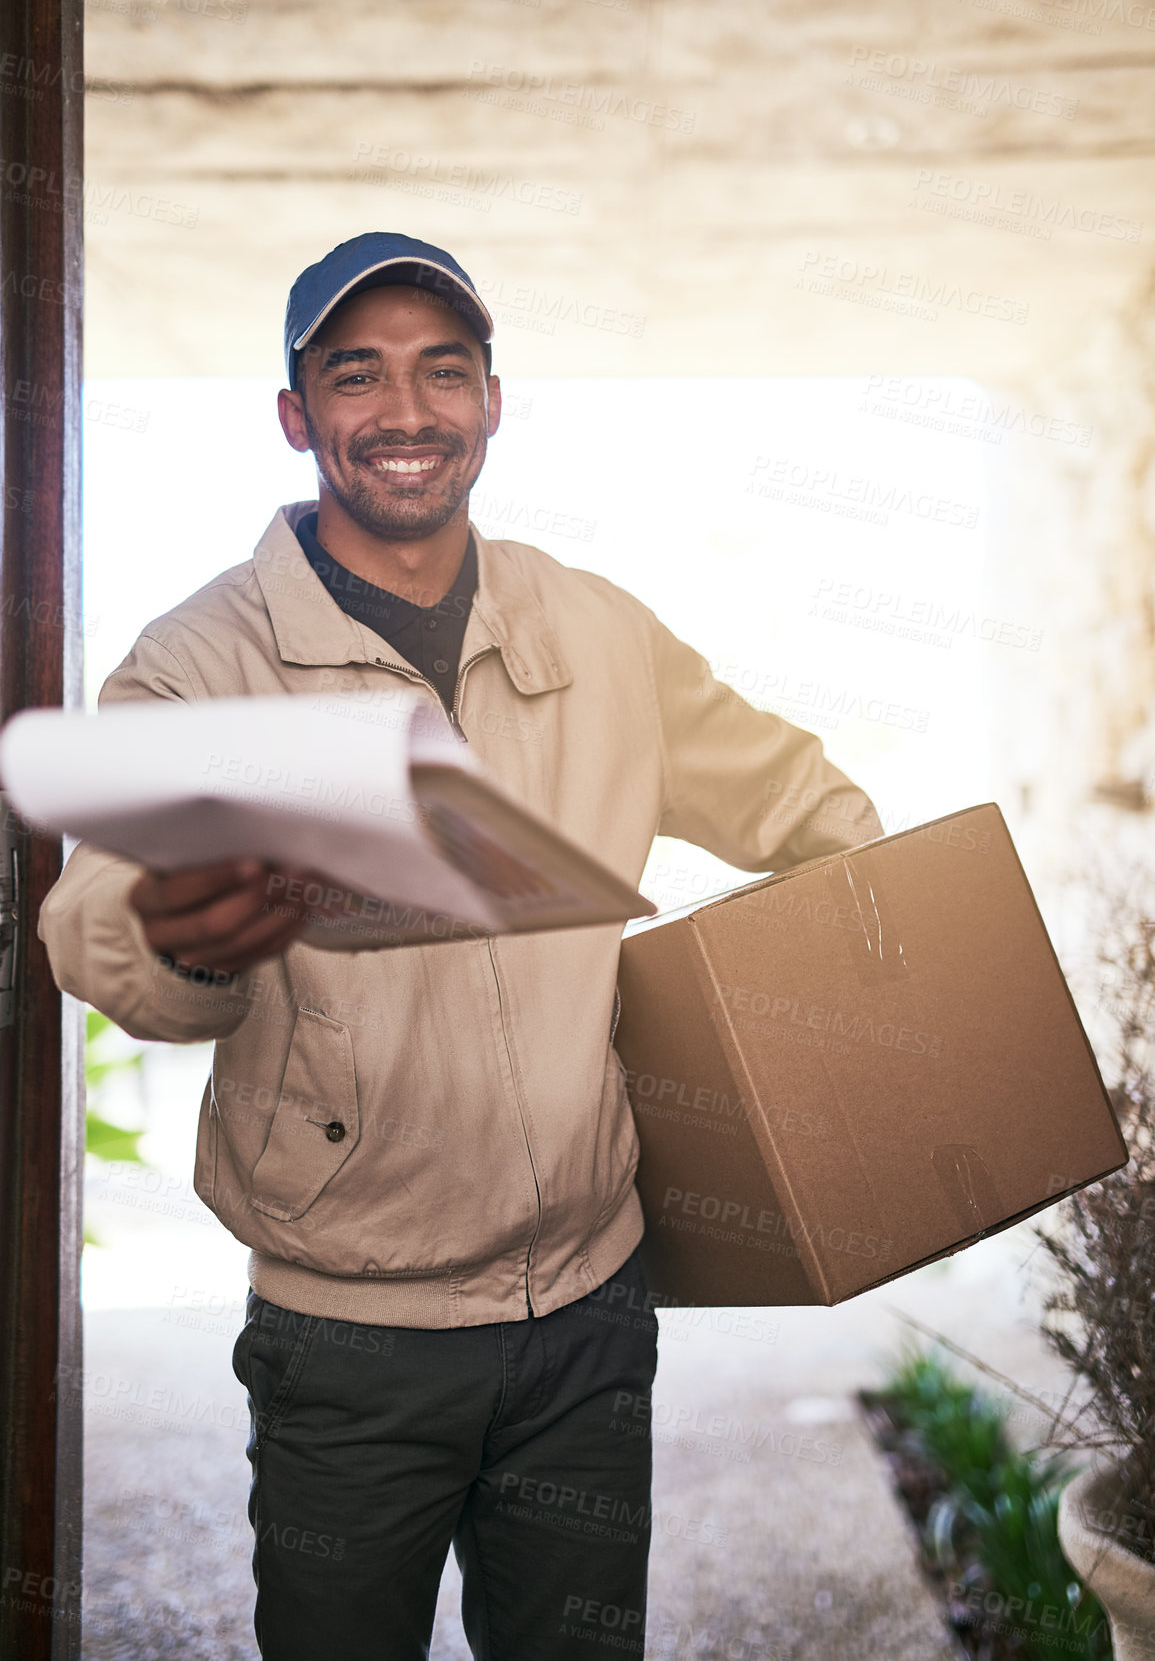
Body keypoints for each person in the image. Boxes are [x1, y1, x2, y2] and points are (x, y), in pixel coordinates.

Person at [39, 231, 883, 1660]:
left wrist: (795, 1026)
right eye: (355, 373)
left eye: (444, 370)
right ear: (297, 417)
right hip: (349, 1330)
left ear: (494, 401)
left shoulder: (599, 633)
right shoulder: (200, 663)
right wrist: (178, 947)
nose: (407, 410)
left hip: (591, 1314)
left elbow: (819, 817)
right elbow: (95, 919)